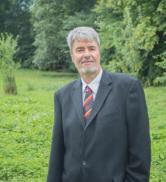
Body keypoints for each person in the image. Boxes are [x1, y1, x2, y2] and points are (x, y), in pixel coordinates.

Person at [47, 26, 151, 182]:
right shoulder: (62, 95)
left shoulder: (128, 88)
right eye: (80, 50)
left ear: (99, 51)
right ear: (72, 55)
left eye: (91, 48)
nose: (87, 54)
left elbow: (140, 148)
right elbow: (57, 151)